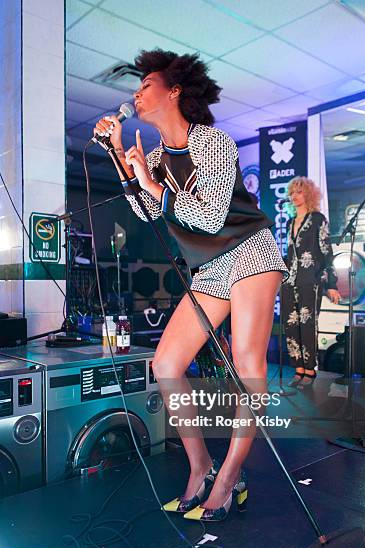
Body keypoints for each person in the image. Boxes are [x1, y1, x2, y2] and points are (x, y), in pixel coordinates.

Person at [94, 49, 288, 521]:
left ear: (174, 90)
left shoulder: (214, 142)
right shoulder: (157, 156)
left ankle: (229, 476)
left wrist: (153, 185)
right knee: (166, 362)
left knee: (246, 366)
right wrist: (122, 157)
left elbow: (206, 215)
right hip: (211, 265)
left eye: (146, 85)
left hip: (250, 251)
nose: (137, 94)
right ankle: (201, 466)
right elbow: (146, 212)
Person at [281, 177, 340, 388]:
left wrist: (331, 283)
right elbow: (288, 254)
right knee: (291, 324)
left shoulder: (317, 219)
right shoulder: (289, 222)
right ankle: (298, 367)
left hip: (310, 281)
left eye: (299, 191)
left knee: (308, 323)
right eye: (292, 192)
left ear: (309, 194)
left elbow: (327, 253)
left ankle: (309, 369)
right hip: (289, 281)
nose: (295, 196)